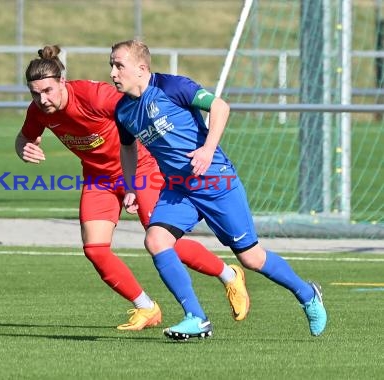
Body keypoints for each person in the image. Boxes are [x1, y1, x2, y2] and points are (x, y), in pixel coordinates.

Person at [15, 45, 250, 331]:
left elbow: (139, 106)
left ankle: (229, 275)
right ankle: (146, 307)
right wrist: (24, 147)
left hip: (141, 170)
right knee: (95, 248)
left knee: (163, 240)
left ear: (62, 82)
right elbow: (24, 137)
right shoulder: (38, 111)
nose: (42, 99)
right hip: (98, 178)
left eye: (48, 91)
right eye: (35, 94)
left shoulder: (95, 96)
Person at [110, 39, 327, 340]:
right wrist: (132, 185)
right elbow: (127, 147)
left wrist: (208, 150)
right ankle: (196, 318)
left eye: (119, 65)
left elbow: (220, 106)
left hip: (216, 182)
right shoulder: (123, 111)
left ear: (141, 68)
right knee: (156, 240)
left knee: (251, 258)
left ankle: (307, 294)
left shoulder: (173, 87)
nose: (113, 72)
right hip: (179, 189)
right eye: (112, 65)